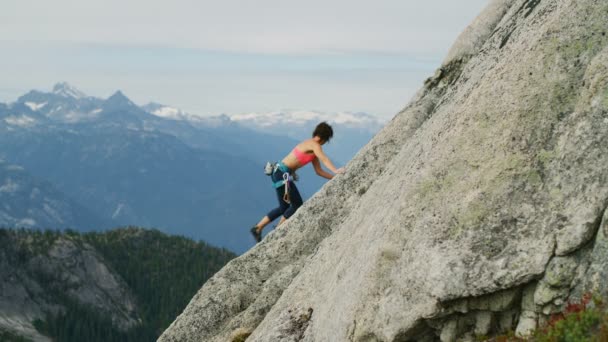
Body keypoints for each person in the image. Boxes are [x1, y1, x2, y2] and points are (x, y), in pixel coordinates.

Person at [250, 122, 345, 243]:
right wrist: (336, 170)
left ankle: (257, 228)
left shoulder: (308, 146)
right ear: (324, 138)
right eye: (326, 140)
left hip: (278, 172)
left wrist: (334, 177)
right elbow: (324, 159)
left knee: (283, 207)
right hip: (282, 175)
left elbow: (319, 171)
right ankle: (277, 232)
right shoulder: (314, 145)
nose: (325, 143)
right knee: (297, 204)